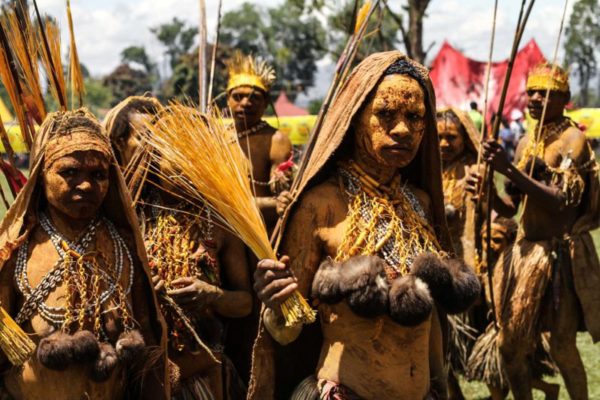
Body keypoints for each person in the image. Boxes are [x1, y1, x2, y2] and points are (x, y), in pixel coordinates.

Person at [249, 51, 480, 400]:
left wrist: (438, 386)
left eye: (414, 116)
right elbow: (288, 330)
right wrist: (274, 302)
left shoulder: (421, 201)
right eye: (385, 114)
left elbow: (429, 319)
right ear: (356, 119)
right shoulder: (321, 206)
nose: (402, 129)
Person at [0, 109, 169, 399]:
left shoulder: (125, 248)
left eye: (98, 174)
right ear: (41, 174)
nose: (87, 185)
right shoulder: (16, 250)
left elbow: (149, 352)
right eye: (69, 172)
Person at [468, 63, 600, 400]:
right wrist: (487, 194)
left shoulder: (573, 139)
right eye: (532, 92)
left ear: (565, 98)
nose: (536, 98)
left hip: (561, 257)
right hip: (526, 256)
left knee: (562, 346)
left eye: (546, 93)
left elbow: (561, 201)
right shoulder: (526, 141)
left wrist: (508, 168)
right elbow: (514, 207)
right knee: (509, 345)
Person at [106, 104, 253, 400]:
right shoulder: (127, 218)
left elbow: (245, 303)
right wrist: (141, 295)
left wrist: (212, 295)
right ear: (153, 157)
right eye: (167, 152)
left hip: (205, 374)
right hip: (144, 376)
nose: (179, 163)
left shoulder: (219, 222)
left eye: (189, 154)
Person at [225, 51, 293, 230]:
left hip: (264, 230)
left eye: (254, 97)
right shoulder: (216, 137)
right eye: (238, 97)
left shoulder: (276, 140)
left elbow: (280, 194)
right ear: (228, 100)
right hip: (225, 226)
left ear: (265, 103)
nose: (246, 103)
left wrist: (282, 193)